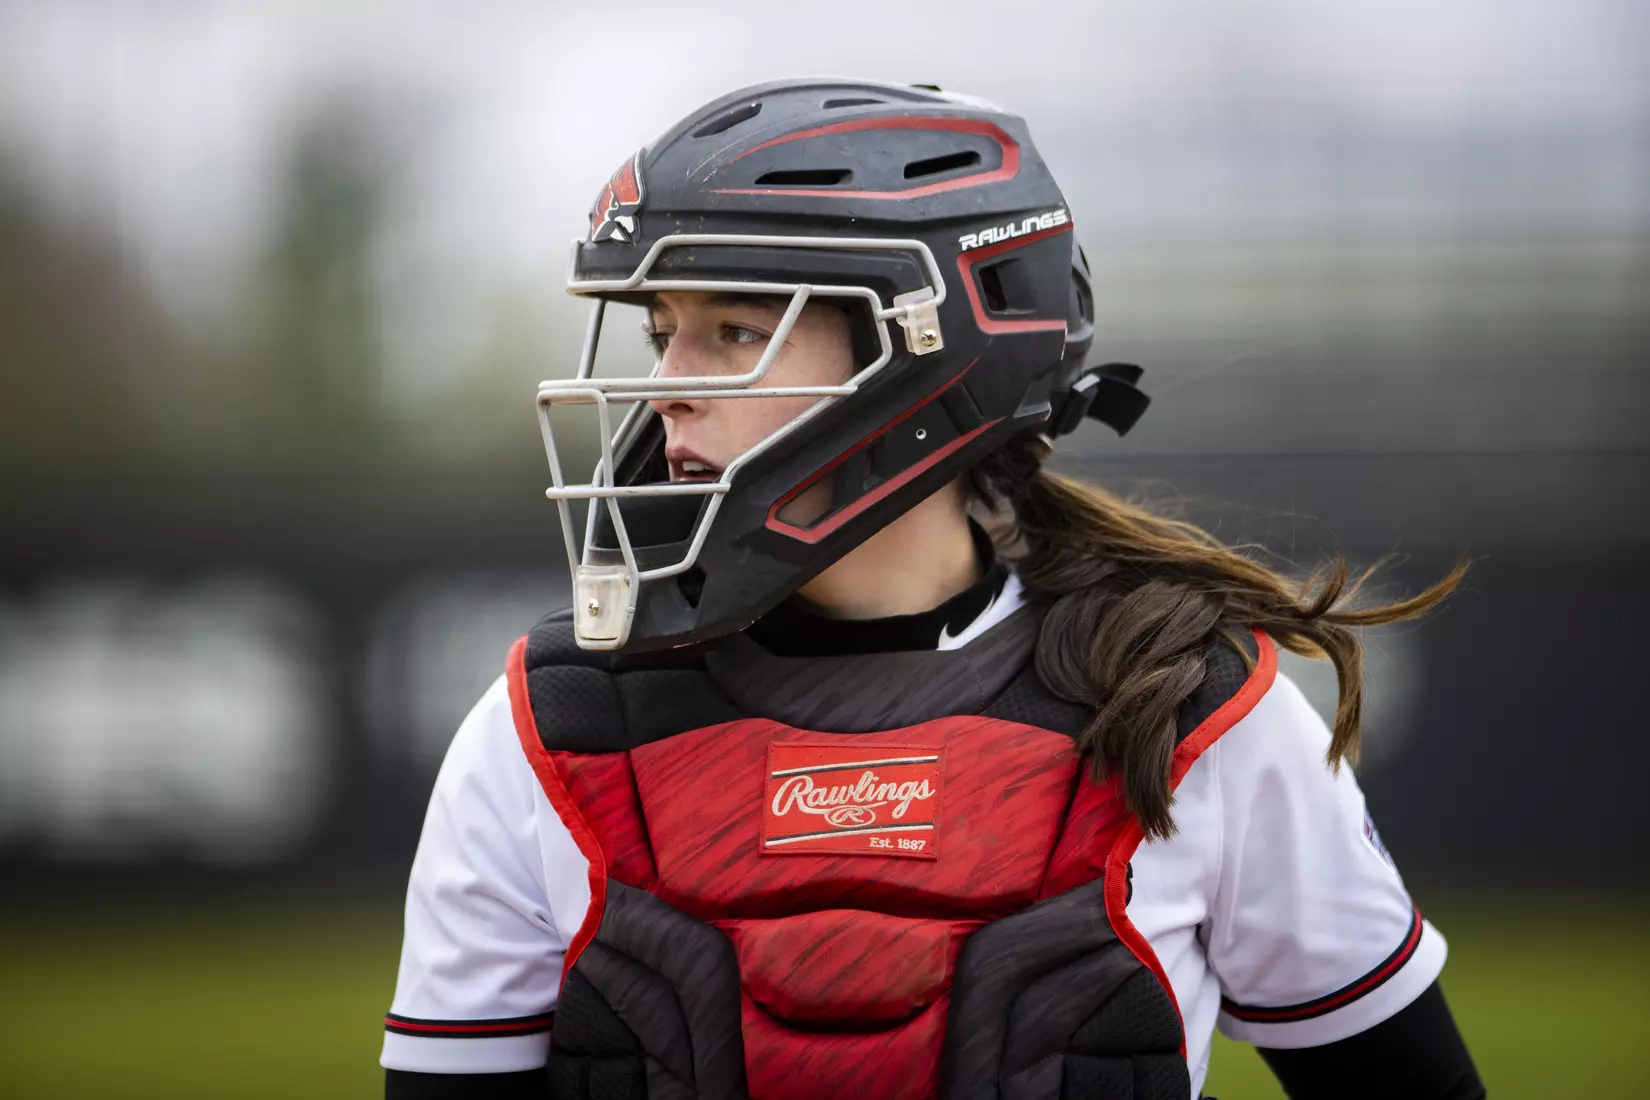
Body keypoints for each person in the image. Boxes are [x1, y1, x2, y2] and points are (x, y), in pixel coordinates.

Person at [381, 78, 1485, 1099]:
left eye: (733, 332)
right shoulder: (550, 726)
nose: (666, 390)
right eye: (662, 332)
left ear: (932, 346)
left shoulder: (1182, 703)